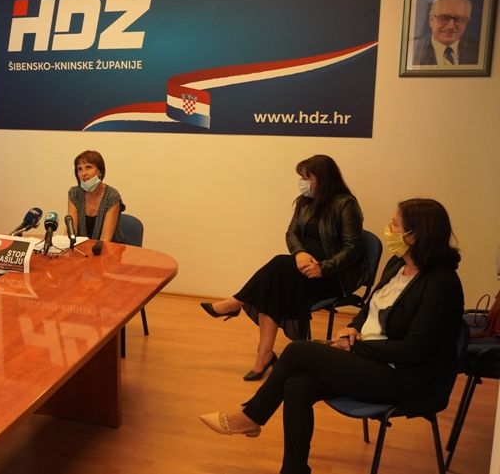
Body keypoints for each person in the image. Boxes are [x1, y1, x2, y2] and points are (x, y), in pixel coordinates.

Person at [199, 198, 464, 474]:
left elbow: (413, 350)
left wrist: (354, 348)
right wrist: (353, 328)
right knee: (297, 385)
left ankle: (251, 416)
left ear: (414, 235)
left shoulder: (441, 283)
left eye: (395, 224)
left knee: (298, 350)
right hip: (373, 359)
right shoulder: (398, 263)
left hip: (406, 378)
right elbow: (370, 307)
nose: (389, 228)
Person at [200, 154, 367, 380]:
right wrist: (299, 253)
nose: (302, 182)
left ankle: (237, 305)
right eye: (301, 177)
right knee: (274, 284)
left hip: (334, 276)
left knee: (277, 271)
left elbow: (352, 249)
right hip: (302, 269)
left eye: (307, 178)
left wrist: (323, 268)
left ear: (324, 179)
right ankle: (263, 355)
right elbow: (292, 233)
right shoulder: (305, 201)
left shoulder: (345, 204)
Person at [67, 150, 125, 243]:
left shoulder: (112, 196)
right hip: (81, 248)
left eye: (88, 167)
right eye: (80, 169)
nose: (83, 173)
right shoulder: (74, 193)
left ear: (100, 171)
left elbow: (105, 239)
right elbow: (70, 231)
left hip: (107, 248)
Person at [412, 0, 479, 66]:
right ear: (431, 20)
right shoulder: (413, 50)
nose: (451, 26)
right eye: (444, 18)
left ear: (466, 23)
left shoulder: (478, 51)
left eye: (459, 19)